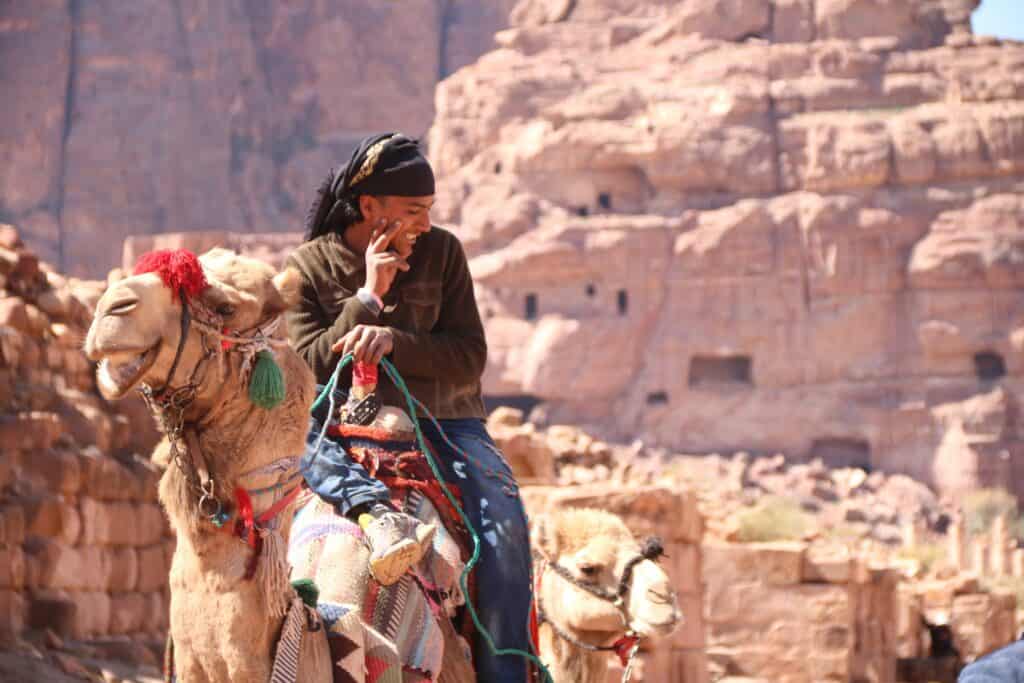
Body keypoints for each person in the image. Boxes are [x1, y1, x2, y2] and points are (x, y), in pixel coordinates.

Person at [285, 133, 535, 681]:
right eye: (412, 211)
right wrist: (369, 297)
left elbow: (469, 356)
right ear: (368, 207)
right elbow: (305, 368)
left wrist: (395, 341)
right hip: (340, 429)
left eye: (428, 212)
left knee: (505, 531)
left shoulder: (443, 253)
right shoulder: (307, 268)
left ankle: (510, 673)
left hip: (445, 423)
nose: (424, 225)